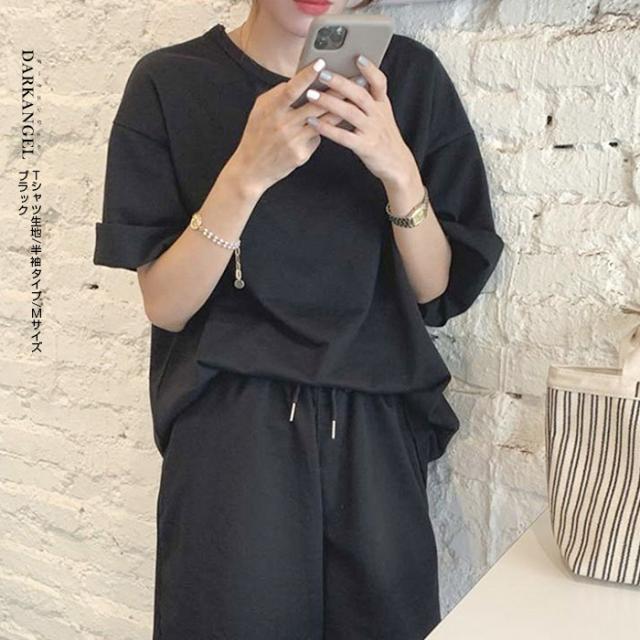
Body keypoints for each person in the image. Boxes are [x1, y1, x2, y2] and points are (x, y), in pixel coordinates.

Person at [92, 0, 504, 638]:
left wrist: (397, 170)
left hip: (376, 425)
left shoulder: (412, 79)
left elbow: (437, 292)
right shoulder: (170, 82)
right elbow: (166, 305)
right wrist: (245, 174)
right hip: (231, 427)